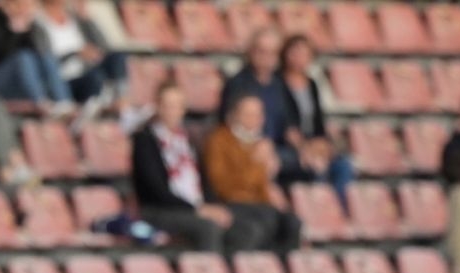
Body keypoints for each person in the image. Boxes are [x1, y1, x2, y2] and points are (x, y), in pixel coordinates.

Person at [131, 81, 243, 252]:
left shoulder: (189, 140)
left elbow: (203, 180)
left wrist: (213, 206)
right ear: (158, 107)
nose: (173, 111)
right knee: (208, 227)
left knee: (242, 225)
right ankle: (207, 267)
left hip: (193, 207)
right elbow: (157, 190)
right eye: (168, 105)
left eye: (177, 106)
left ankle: (234, 268)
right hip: (161, 210)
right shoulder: (145, 141)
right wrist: (198, 210)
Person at [201, 93, 303, 253]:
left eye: (258, 114)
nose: (254, 119)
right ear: (234, 115)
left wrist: (269, 179)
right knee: (261, 223)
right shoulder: (219, 141)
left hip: (260, 204)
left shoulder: (262, 143)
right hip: (232, 204)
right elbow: (222, 186)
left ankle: (285, 265)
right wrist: (256, 162)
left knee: (292, 222)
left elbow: (264, 186)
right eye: (248, 114)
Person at [275, 35, 354, 210]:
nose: (299, 58)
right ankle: (317, 210)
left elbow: (319, 122)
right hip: (288, 145)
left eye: (305, 53)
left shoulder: (311, 84)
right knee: (316, 166)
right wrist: (305, 148)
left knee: (343, 165)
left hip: (312, 142)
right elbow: (284, 124)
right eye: (295, 52)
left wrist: (323, 144)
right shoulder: (276, 83)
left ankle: (339, 210)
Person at [0, 0, 72, 110]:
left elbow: (39, 53)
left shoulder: (31, 24)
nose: (27, 9)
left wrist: (29, 28)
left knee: (46, 57)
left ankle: (65, 104)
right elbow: (2, 54)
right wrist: (17, 28)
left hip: (19, 82)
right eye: (24, 4)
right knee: (23, 57)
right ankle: (41, 103)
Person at [34, 0, 123, 113]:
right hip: (62, 79)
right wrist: (75, 54)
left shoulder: (75, 18)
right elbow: (46, 61)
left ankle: (122, 101)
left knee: (117, 57)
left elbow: (104, 46)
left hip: (85, 70)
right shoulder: (38, 21)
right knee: (94, 78)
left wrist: (86, 19)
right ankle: (91, 112)